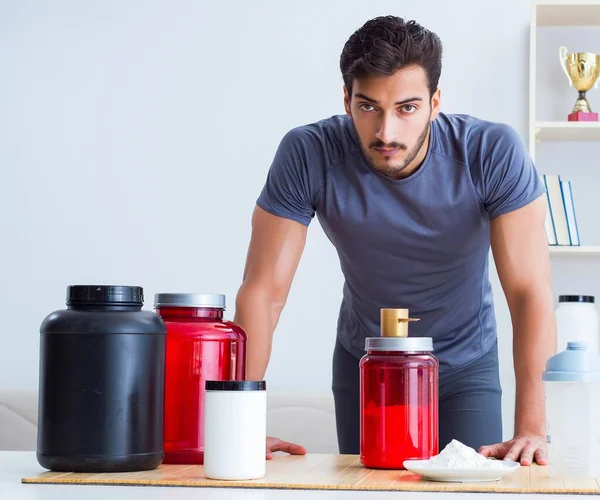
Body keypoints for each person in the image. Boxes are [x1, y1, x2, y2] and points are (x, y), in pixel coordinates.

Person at [233, 15, 556, 466]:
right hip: (366, 362)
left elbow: (528, 293)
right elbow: (263, 292)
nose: (387, 132)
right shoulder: (308, 153)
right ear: (346, 100)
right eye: (368, 108)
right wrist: (237, 426)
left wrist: (532, 428)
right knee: (368, 490)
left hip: (465, 363)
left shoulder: (491, 152)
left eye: (406, 108)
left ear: (434, 102)